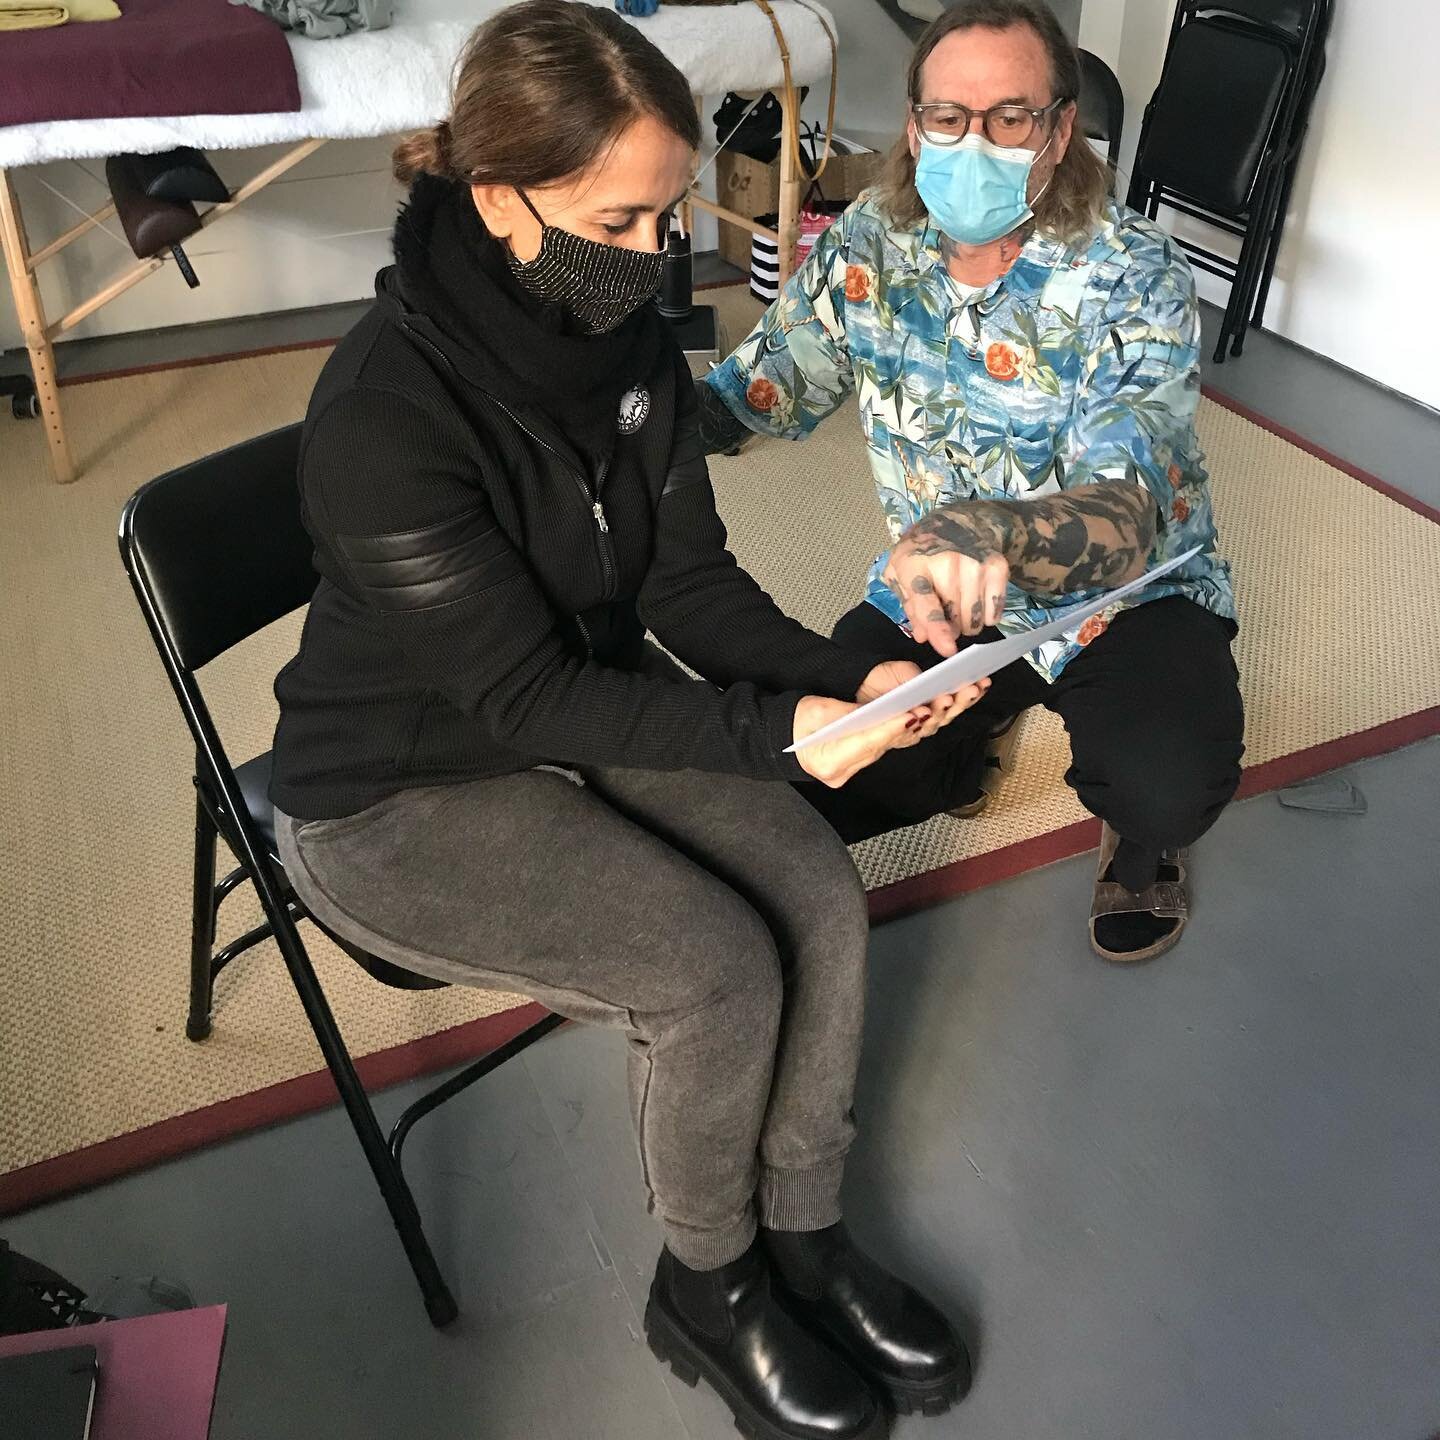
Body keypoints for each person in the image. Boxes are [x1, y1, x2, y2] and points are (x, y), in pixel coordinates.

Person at [267, 4, 983, 1434]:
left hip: (579, 709)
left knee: (817, 890)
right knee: (714, 969)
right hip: (397, 787)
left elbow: (687, 583)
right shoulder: (383, 415)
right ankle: (706, 1288)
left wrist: (835, 686)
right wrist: (776, 733)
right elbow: (521, 693)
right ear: (493, 198)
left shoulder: (631, 341)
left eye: (671, 210)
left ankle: (801, 1228)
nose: (662, 250)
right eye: (626, 215)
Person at [698, 0, 1245, 965]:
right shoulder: (871, 237)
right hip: (938, 595)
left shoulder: (1133, 270)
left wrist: (987, 535)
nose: (973, 141)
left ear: (1060, 127)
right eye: (947, 116)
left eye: (1010, 116)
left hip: (1122, 595)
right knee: (830, 771)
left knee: (1168, 782)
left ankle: (1135, 832)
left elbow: (1125, 509)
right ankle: (979, 714)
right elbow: (763, 387)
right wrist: (597, 413)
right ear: (915, 125)